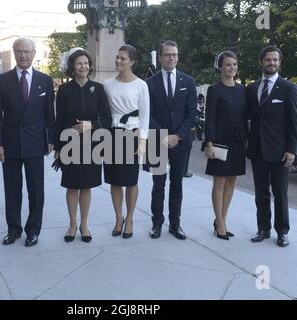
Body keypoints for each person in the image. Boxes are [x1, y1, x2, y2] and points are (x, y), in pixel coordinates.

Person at [0, 37, 55, 248]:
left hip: (36, 143)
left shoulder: (45, 80)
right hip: (10, 143)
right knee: (12, 189)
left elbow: (49, 116)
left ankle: (33, 230)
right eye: (19, 51)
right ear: (14, 53)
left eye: (27, 51)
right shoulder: (2, 80)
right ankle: (13, 229)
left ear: (34, 53)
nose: (23, 55)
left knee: (36, 190)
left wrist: (51, 141)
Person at [54, 48, 112, 243]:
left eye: (86, 63)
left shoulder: (98, 88)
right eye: (79, 63)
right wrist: (58, 148)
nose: (83, 66)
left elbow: (107, 119)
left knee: (86, 186)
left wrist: (90, 125)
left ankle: (84, 225)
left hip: (92, 144)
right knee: (72, 186)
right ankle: (72, 224)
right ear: (73, 66)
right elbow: (59, 120)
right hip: (69, 144)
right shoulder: (63, 90)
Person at [246, 46, 297, 247]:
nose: (272, 63)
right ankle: (263, 228)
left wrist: (291, 150)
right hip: (257, 149)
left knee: (280, 193)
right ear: (261, 62)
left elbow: (294, 123)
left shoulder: (288, 88)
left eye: (275, 60)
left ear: (279, 62)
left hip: (280, 151)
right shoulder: (252, 88)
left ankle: (282, 231)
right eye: (268, 60)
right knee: (261, 193)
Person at [146, 40, 197, 240]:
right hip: (157, 141)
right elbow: (147, 114)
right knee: (158, 185)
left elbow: (192, 114)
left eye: (174, 54)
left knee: (177, 185)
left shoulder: (188, 81)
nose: (171, 58)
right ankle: (156, 224)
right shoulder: (150, 83)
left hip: (181, 142)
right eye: (167, 55)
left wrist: (178, 136)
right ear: (160, 57)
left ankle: (175, 224)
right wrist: (163, 136)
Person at [103, 44, 150, 239]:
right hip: (112, 135)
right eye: (117, 57)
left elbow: (145, 115)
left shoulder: (141, 85)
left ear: (132, 61)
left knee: (131, 181)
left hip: (132, 135)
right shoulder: (107, 84)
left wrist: (143, 142)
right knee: (115, 181)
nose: (118, 61)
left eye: (123, 58)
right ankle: (118, 217)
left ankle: (129, 218)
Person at [204, 51, 247, 240]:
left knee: (231, 181)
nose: (232, 68)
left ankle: (223, 218)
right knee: (219, 181)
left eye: (235, 64)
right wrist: (209, 143)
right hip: (220, 140)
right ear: (220, 67)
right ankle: (219, 221)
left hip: (237, 140)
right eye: (228, 64)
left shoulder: (242, 89)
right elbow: (210, 118)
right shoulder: (214, 89)